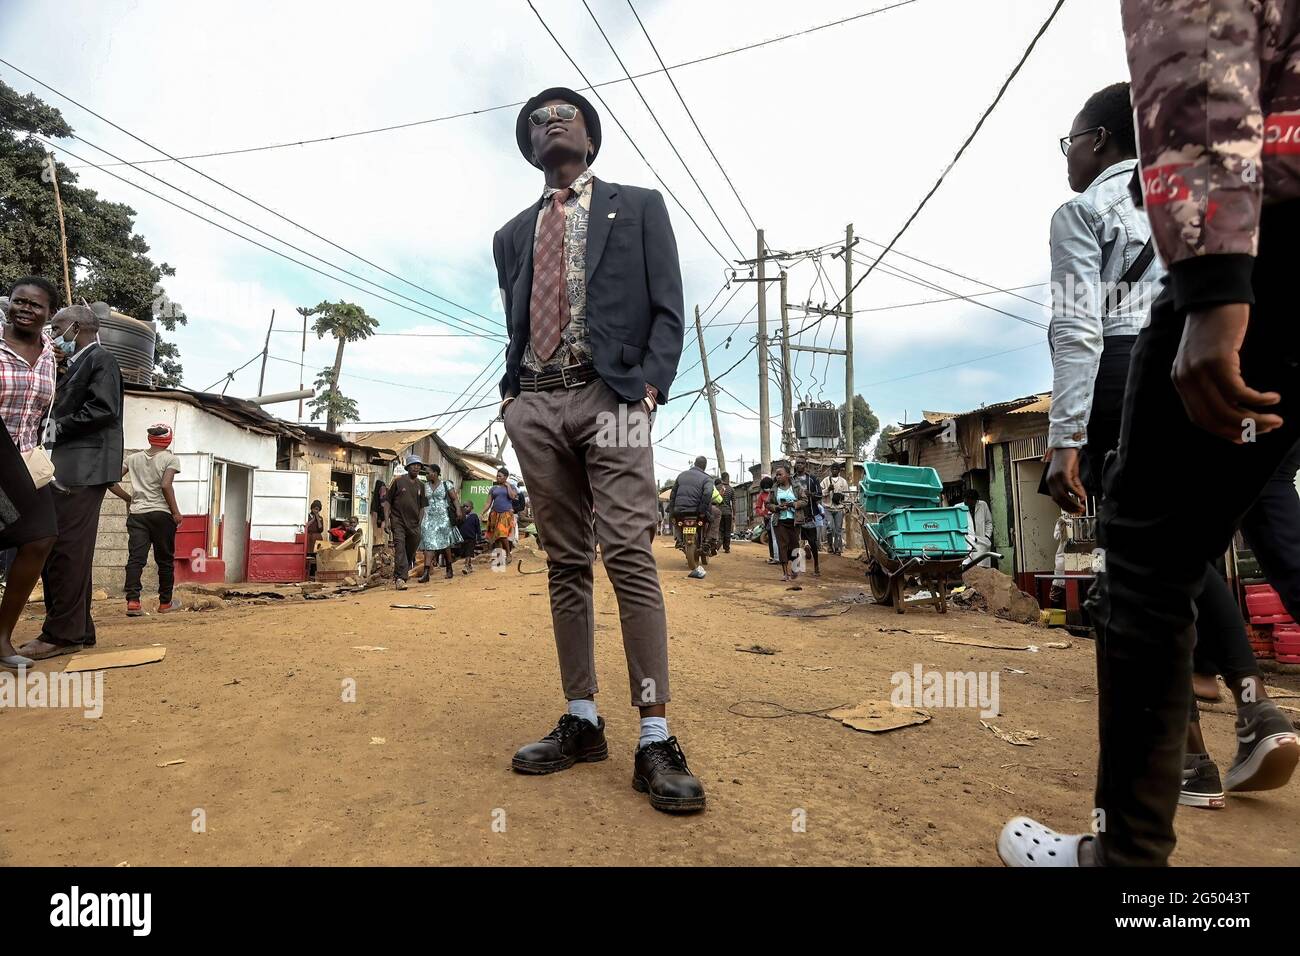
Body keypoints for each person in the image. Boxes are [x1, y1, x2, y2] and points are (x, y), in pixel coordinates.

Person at [1000, 9, 1300, 867]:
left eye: (1069, 140)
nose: (1067, 156)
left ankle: (1137, 842)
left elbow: (1074, 330)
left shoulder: (1093, 207)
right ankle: (1233, 726)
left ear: (1097, 141)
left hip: (1163, 359)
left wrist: (1064, 438)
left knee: (1147, 559)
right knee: (1242, 537)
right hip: (1260, 342)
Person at [494, 85, 703, 812]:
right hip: (537, 403)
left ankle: (654, 734)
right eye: (537, 121)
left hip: (612, 398)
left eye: (564, 115)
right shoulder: (511, 235)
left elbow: (670, 306)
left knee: (627, 553)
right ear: (529, 148)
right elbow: (516, 320)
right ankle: (583, 720)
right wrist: (511, 399)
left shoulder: (638, 207)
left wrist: (646, 390)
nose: (551, 123)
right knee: (563, 562)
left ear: (590, 137)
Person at [20, 303, 123, 659]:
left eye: (58, 327)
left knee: (62, 548)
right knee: (72, 550)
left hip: (83, 467)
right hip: (72, 465)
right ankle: (79, 629)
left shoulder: (101, 361)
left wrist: (57, 427)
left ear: (77, 328)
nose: (53, 334)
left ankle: (61, 635)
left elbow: (103, 408)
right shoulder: (77, 363)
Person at [0, 278, 60, 670]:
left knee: (41, 538)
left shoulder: (50, 354)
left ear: (49, 314)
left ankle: (1, 639)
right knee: (39, 532)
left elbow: (40, 413)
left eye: (35, 305)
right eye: (18, 301)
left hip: (24, 460)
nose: (24, 309)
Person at [109, 424, 182, 616]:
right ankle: (165, 603)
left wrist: (128, 498)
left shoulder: (132, 459)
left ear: (150, 439)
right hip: (161, 514)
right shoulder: (170, 459)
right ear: (168, 439)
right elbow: (166, 485)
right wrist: (175, 512)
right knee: (164, 560)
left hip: (137, 515)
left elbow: (111, 482)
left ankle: (133, 602)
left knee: (136, 559)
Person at [669, 457, 714, 579]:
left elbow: (673, 494)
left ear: (695, 464)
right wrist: (702, 511)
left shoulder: (681, 475)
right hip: (696, 512)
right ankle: (708, 540)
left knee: (677, 522)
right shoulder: (707, 478)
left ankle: (678, 539)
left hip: (680, 511)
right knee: (713, 519)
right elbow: (708, 494)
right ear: (704, 466)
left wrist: (672, 511)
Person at [387, 456, 426, 591]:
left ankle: (402, 570)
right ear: (408, 467)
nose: (416, 467)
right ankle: (400, 578)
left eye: (418, 465)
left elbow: (422, 507)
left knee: (410, 551)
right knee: (400, 548)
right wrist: (387, 519)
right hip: (398, 521)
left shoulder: (421, 485)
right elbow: (387, 501)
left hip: (414, 524)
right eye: (413, 465)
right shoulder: (398, 482)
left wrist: (419, 523)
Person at [418, 462, 461, 582]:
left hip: (443, 517)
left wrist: (458, 510)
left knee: (445, 543)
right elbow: (421, 502)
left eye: (428, 473)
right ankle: (426, 573)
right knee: (428, 543)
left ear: (435, 474)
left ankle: (449, 567)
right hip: (428, 517)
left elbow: (454, 499)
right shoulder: (424, 486)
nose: (426, 475)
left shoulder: (446, 484)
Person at [771, 466, 802, 582]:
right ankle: (785, 573)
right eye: (777, 475)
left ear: (788, 475)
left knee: (794, 545)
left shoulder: (797, 487)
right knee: (782, 546)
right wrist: (776, 507)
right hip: (780, 521)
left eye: (780, 474)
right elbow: (769, 504)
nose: (778, 477)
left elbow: (804, 500)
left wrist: (793, 504)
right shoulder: (774, 489)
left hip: (794, 520)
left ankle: (795, 569)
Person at [482, 466, 517, 557]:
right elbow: (488, 502)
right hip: (494, 514)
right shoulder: (493, 488)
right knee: (496, 537)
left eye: (500, 476)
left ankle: (508, 554)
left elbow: (512, 497)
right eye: (497, 476)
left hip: (506, 514)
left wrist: (508, 486)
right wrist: (482, 512)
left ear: (505, 477)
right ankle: (499, 557)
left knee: (502, 534)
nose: (497, 478)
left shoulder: (512, 487)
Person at [820, 463, 849, 555]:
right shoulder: (825, 481)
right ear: (830, 470)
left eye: (836, 469)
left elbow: (847, 495)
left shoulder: (843, 482)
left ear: (839, 471)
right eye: (833, 469)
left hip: (839, 509)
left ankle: (837, 548)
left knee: (838, 529)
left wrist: (844, 503)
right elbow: (820, 493)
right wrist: (827, 489)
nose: (834, 471)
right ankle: (830, 546)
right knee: (830, 528)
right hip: (828, 508)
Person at [963, 489, 994, 568]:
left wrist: (987, 536)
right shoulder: (958, 507)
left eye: (971, 501)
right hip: (966, 542)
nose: (969, 503)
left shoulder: (983, 505)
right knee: (966, 566)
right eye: (967, 500)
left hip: (981, 541)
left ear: (976, 500)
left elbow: (988, 522)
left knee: (981, 567)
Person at [459, 502, 481, 574]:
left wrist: (479, 537)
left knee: (468, 552)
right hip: (463, 538)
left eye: (467, 506)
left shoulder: (474, 516)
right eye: (464, 506)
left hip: (471, 538)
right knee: (466, 553)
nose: (465, 508)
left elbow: (478, 527)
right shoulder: (461, 516)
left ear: (471, 508)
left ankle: (466, 566)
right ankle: (469, 566)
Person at [306, 499, 325, 578]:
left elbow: (320, 529)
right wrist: (313, 519)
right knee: (308, 554)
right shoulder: (307, 516)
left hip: (317, 538)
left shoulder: (320, 518)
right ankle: (308, 573)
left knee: (316, 556)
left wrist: (317, 518)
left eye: (317, 509)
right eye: (315, 508)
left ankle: (315, 573)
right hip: (309, 537)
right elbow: (306, 526)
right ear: (311, 508)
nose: (316, 510)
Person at [717, 472, 735, 553]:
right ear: (728, 478)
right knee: (727, 530)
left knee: (720, 530)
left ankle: (718, 543)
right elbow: (733, 503)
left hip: (719, 512)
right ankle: (726, 548)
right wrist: (734, 514)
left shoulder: (717, 488)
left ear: (721, 478)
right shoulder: (731, 489)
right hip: (728, 512)